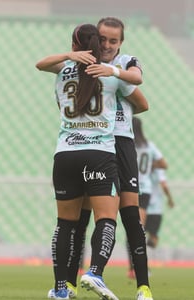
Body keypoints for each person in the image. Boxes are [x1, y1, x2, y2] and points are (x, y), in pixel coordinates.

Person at [36, 23, 148, 300]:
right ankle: (95, 271)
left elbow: (40, 64)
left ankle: (61, 289)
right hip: (100, 153)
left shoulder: (63, 70)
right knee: (107, 218)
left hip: (64, 153)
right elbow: (141, 95)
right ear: (97, 45)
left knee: (65, 224)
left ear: (75, 46)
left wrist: (69, 56)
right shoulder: (109, 75)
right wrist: (112, 70)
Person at [132, 117, 168, 226]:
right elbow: (163, 164)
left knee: (128, 217)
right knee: (140, 222)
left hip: (130, 185)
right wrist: (150, 165)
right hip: (145, 187)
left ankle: (130, 242)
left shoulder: (128, 145)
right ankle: (138, 242)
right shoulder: (149, 145)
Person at [145, 168, 174, 249]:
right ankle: (152, 258)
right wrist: (170, 199)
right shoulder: (159, 170)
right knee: (153, 236)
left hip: (143, 206)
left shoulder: (141, 167)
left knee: (139, 235)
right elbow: (164, 185)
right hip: (155, 209)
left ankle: (140, 257)